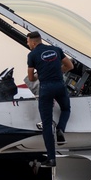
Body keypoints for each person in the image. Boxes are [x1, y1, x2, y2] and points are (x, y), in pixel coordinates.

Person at [26, 31, 74, 167]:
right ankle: (61, 129)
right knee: (66, 108)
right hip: (59, 85)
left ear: (34, 42)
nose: (27, 44)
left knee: (46, 124)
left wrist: (38, 76)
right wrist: (59, 71)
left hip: (46, 88)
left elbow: (30, 78)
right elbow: (70, 66)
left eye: (28, 41)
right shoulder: (56, 50)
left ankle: (51, 159)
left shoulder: (32, 55)